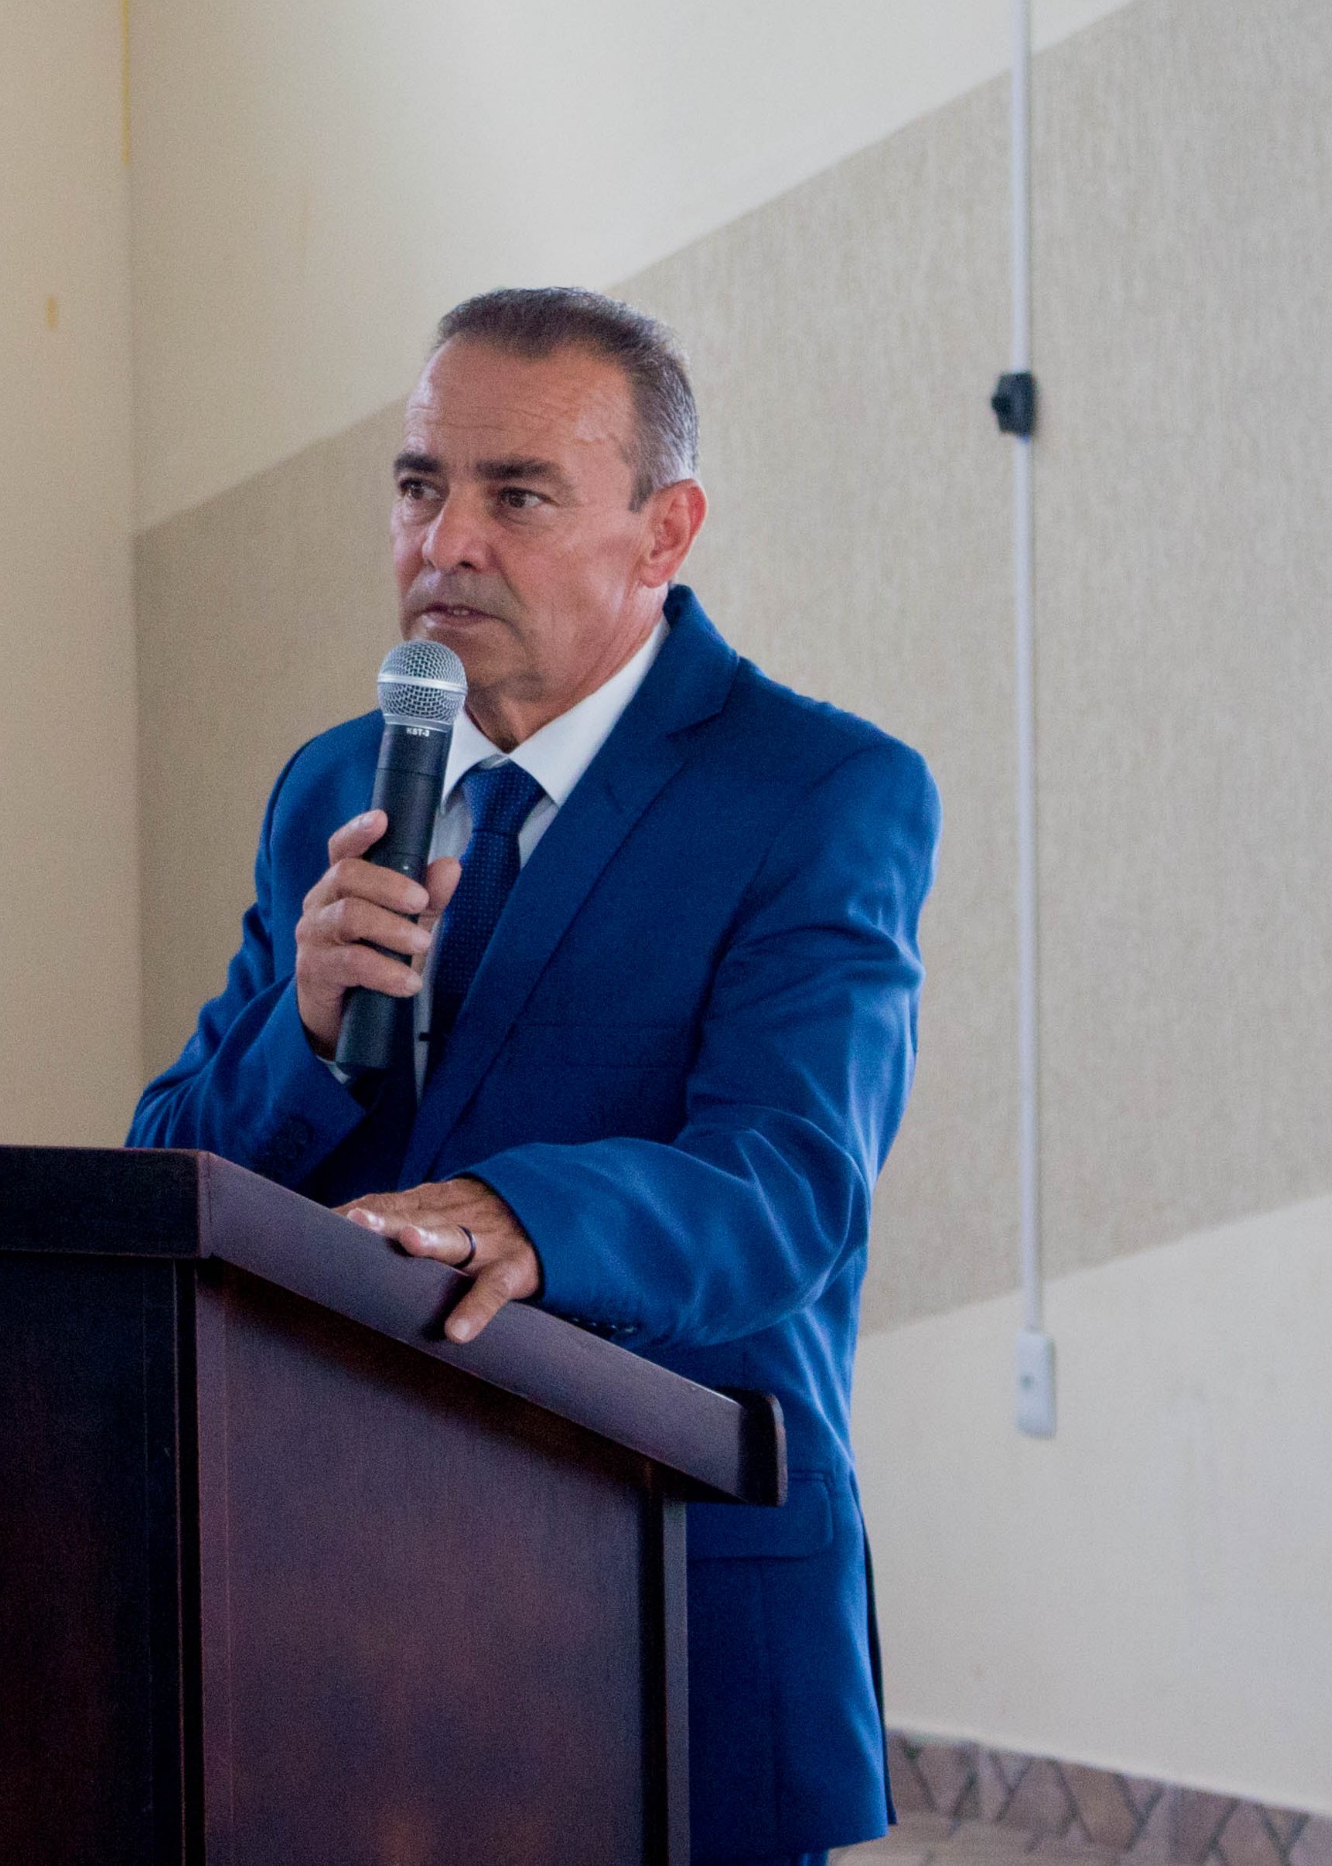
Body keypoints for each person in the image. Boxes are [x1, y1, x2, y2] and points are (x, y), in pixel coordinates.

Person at [131, 286, 937, 1866]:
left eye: (517, 495)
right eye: (419, 485)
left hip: (666, 1597)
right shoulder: (333, 785)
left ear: (663, 532)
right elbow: (173, 1160)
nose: (447, 543)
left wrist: (524, 1216)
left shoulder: (818, 791)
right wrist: (303, 1029)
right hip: (337, 1599)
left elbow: (787, 1184)